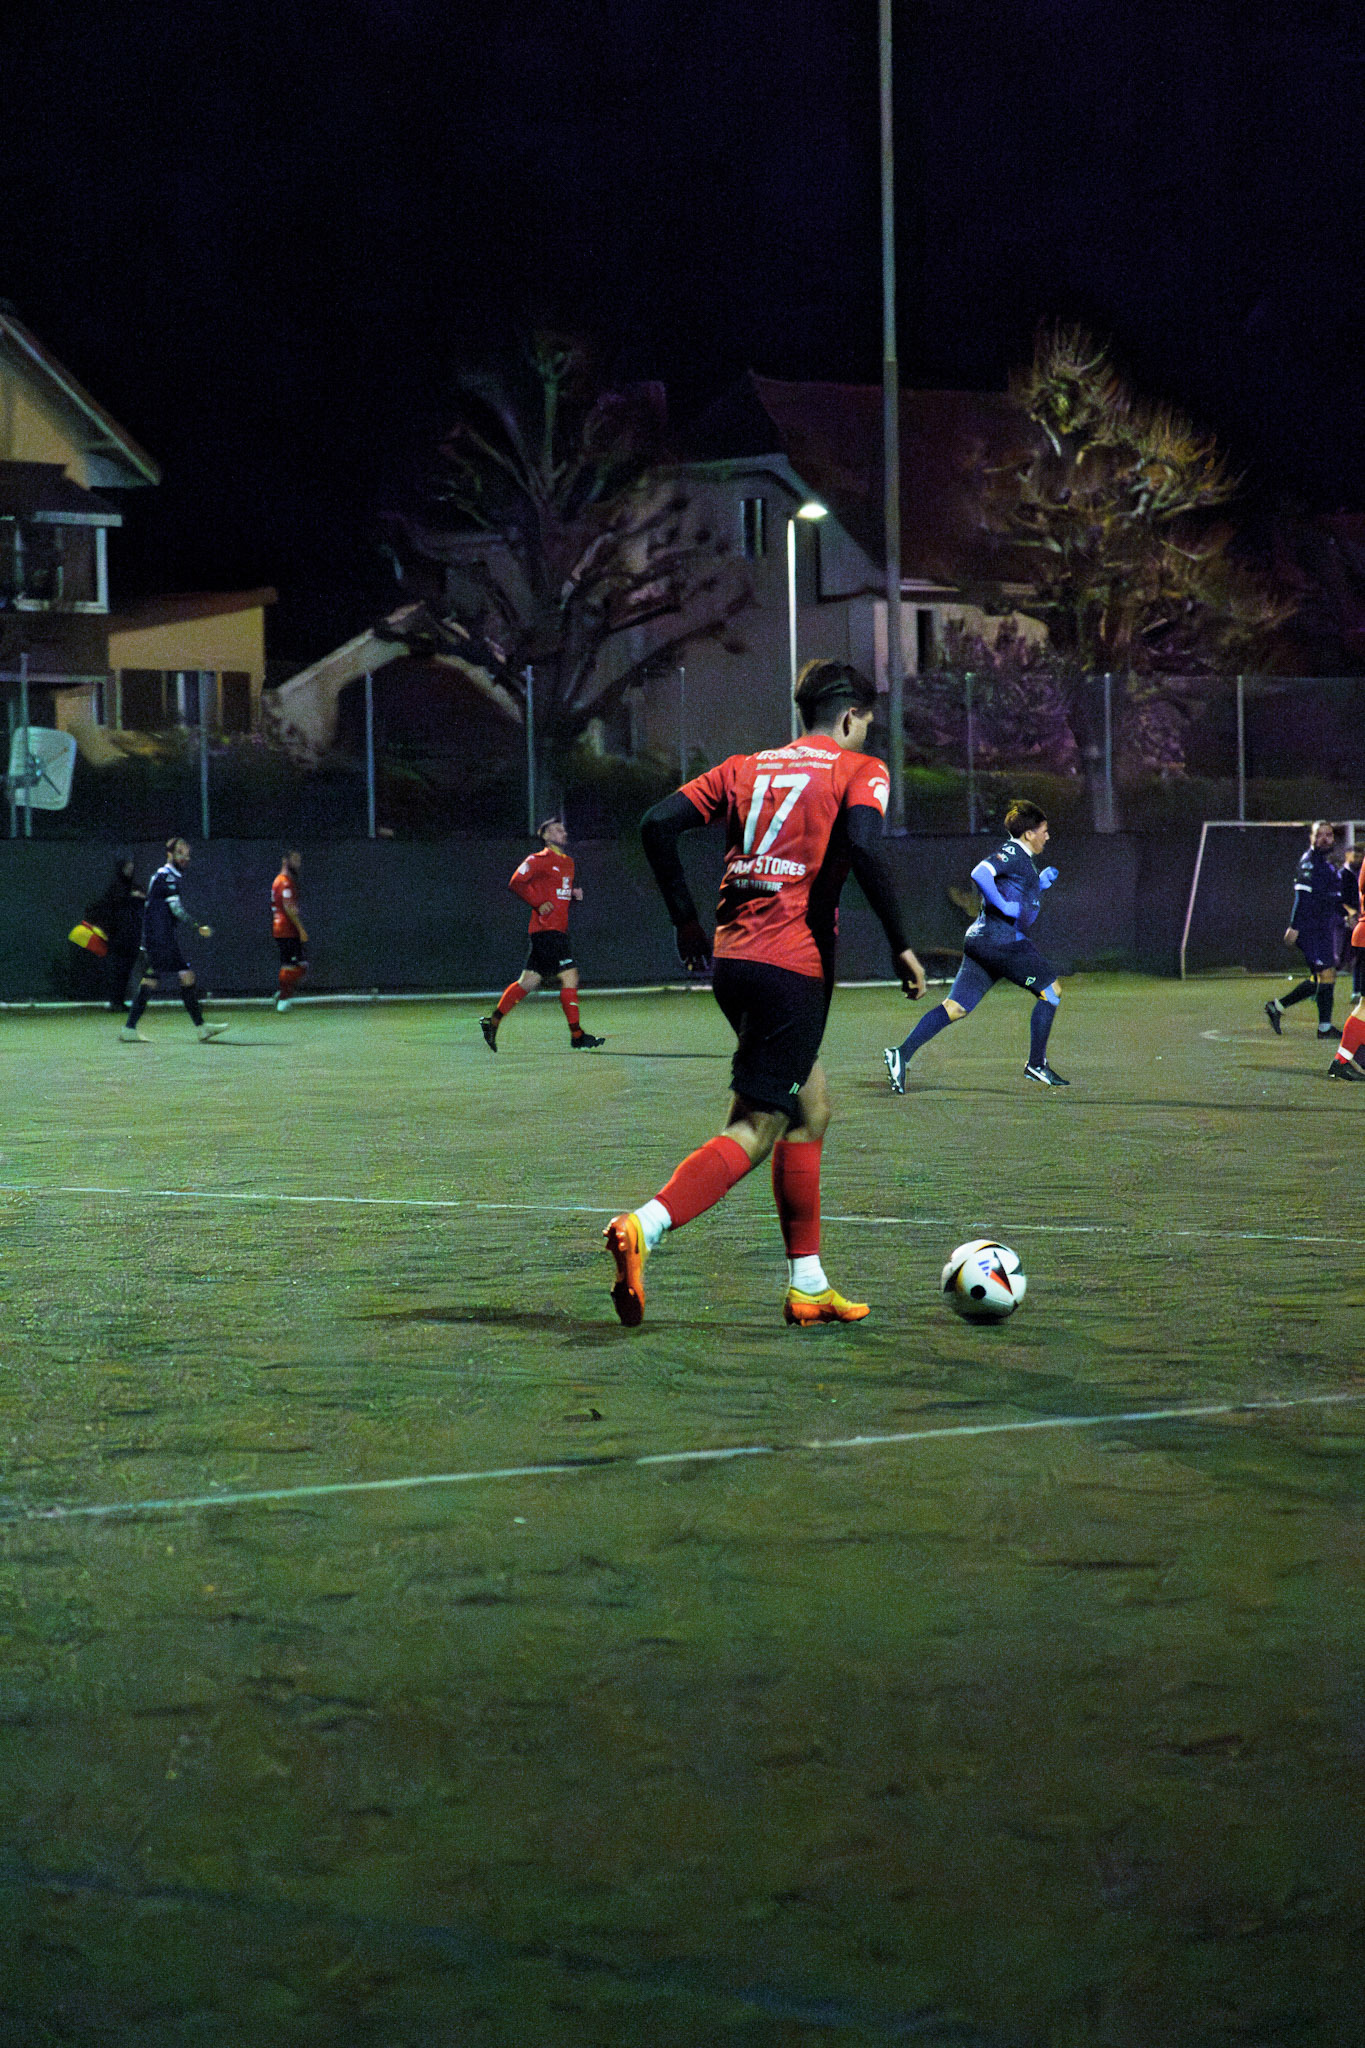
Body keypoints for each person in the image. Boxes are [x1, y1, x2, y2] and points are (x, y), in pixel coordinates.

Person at [603, 658, 926, 1329]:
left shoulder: (745, 767)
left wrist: (685, 920)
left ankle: (807, 1283)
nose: (866, 735)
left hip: (732, 961)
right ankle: (646, 1225)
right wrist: (900, 941)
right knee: (754, 1126)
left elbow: (655, 824)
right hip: (791, 968)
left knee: (811, 1107)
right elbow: (864, 849)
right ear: (848, 718)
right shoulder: (857, 771)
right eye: (865, 723)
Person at [883, 800, 1067, 1091]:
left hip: (984, 942)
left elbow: (1016, 890)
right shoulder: (1013, 852)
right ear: (1030, 833)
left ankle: (900, 1055)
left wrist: (1039, 884)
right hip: (1002, 942)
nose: (1047, 836)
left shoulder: (1023, 861)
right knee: (1050, 992)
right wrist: (1002, 905)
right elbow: (981, 873)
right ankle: (1036, 1064)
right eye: (1044, 830)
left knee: (955, 1007)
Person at [480, 818, 604, 1052]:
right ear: (546, 836)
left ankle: (492, 1022)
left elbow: (558, 894)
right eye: (557, 829)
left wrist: (572, 896)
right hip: (546, 931)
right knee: (569, 977)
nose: (563, 832)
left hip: (556, 930)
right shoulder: (537, 860)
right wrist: (538, 902)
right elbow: (516, 882)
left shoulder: (568, 863)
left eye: (563, 828)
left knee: (529, 981)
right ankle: (577, 1035)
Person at [119, 836, 227, 1044]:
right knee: (185, 976)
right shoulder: (166, 876)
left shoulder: (167, 875)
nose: (185, 857)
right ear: (169, 854)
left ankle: (129, 1028)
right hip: (160, 939)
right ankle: (201, 1027)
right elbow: (175, 908)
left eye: (187, 853)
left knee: (153, 980)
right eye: (180, 852)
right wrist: (197, 926)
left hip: (157, 938)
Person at [1264, 820, 1347, 1041]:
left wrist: (1347, 913)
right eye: (1320, 835)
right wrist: (1294, 926)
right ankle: (1324, 1028)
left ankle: (1278, 1007)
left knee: (1323, 977)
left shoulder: (1326, 864)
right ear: (1311, 838)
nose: (1325, 838)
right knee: (1325, 975)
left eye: (1329, 835)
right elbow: (1302, 898)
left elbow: (1331, 897)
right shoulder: (1309, 862)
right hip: (1310, 929)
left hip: (1323, 928)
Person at [83, 857, 145, 1010]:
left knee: (126, 970)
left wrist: (137, 897)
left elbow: (143, 898)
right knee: (117, 969)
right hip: (118, 937)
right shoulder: (116, 888)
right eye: (127, 868)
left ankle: (119, 1001)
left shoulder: (133, 886)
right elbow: (115, 904)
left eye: (131, 867)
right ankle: (115, 1002)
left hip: (131, 936)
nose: (130, 870)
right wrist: (133, 897)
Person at [271, 848, 307, 1011]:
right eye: (295, 860)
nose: (298, 864)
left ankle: (283, 993)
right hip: (286, 930)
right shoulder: (284, 881)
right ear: (285, 861)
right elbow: (288, 907)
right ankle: (283, 999)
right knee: (290, 965)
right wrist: (301, 929)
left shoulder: (280, 881)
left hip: (284, 929)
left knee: (300, 965)